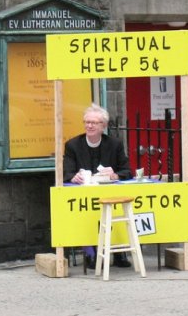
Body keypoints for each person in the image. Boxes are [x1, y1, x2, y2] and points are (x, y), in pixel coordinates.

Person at [63, 103, 132, 269]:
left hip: (109, 195)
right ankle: (90, 253)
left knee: (116, 208)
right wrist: (74, 177)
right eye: (87, 122)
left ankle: (119, 251)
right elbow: (66, 173)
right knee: (88, 213)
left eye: (94, 122)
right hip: (84, 197)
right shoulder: (73, 145)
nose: (89, 125)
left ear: (104, 126)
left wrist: (114, 175)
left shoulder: (114, 144)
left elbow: (127, 171)